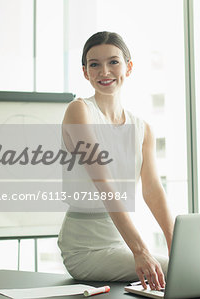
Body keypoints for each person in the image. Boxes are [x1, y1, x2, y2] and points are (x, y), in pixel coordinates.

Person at [57, 31, 173, 291]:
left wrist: (175, 243)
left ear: (128, 68)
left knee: (185, 264)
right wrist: (141, 250)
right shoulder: (79, 111)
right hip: (84, 250)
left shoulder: (142, 128)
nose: (104, 71)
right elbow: (104, 183)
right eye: (94, 64)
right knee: (178, 271)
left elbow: (153, 190)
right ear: (85, 72)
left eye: (113, 62)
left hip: (120, 244)